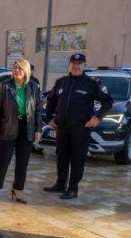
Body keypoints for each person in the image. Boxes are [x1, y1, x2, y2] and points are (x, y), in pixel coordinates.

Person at [43, 53, 113, 199]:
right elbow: (51, 100)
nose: (76, 66)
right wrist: (49, 118)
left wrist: (98, 118)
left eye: (79, 63)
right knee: (61, 157)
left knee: (77, 159)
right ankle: (60, 184)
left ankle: (73, 188)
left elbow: (107, 102)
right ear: (69, 64)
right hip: (62, 128)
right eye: (73, 63)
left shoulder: (92, 83)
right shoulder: (61, 82)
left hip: (80, 129)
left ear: (84, 65)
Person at [0, 59, 42, 203]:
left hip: (27, 128)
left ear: (26, 71)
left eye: (20, 68)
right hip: (8, 127)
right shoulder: (5, 86)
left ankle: (18, 190)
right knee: (3, 160)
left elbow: (38, 110)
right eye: (15, 68)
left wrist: (38, 129)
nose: (17, 70)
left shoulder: (33, 87)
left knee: (22, 162)